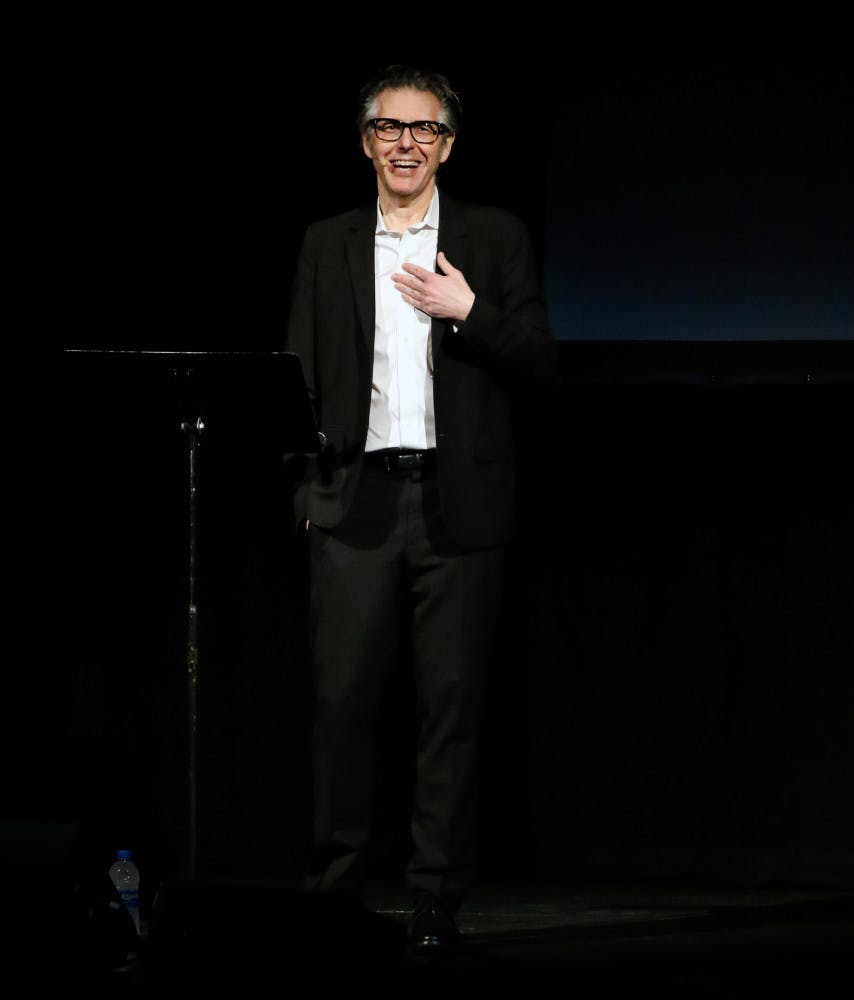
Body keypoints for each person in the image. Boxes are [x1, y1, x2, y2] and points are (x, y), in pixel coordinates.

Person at [284, 63, 555, 952]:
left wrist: (467, 308)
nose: (407, 143)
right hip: (354, 500)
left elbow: (540, 360)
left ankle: (436, 896)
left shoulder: (494, 236)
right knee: (344, 704)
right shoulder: (328, 240)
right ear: (366, 142)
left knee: (450, 707)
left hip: (456, 504)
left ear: (447, 145)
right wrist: (305, 490)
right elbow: (299, 373)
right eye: (390, 128)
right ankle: (335, 889)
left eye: (425, 130)